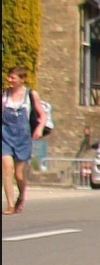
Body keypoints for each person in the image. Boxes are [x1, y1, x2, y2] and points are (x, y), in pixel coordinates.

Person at [2, 64, 51, 214]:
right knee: (7, 169)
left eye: (13, 78)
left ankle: (21, 195)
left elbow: (42, 115)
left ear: (22, 79)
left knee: (19, 174)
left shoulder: (31, 95)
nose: (9, 80)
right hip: (5, 136)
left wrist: (39, 128)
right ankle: (10, 204)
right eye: (9, 77)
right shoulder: (4, 95)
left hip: (23, 138)